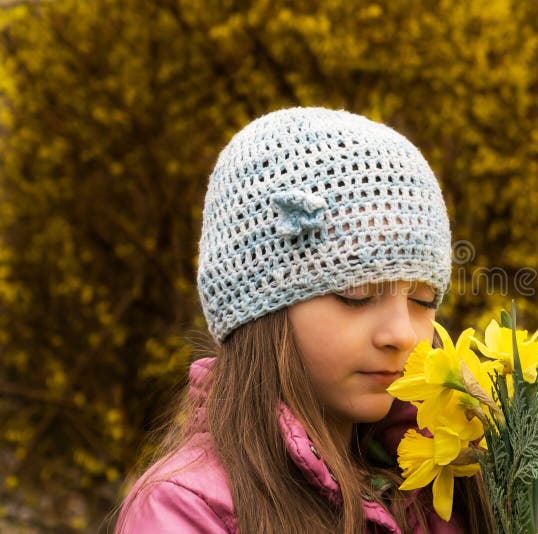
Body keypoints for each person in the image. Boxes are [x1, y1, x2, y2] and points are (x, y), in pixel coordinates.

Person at [115, 107, 492, 533]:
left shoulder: (449, 483)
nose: (401, 334)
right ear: (261, 310)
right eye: (357, 294)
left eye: (422, 300)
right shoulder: (185, 509)